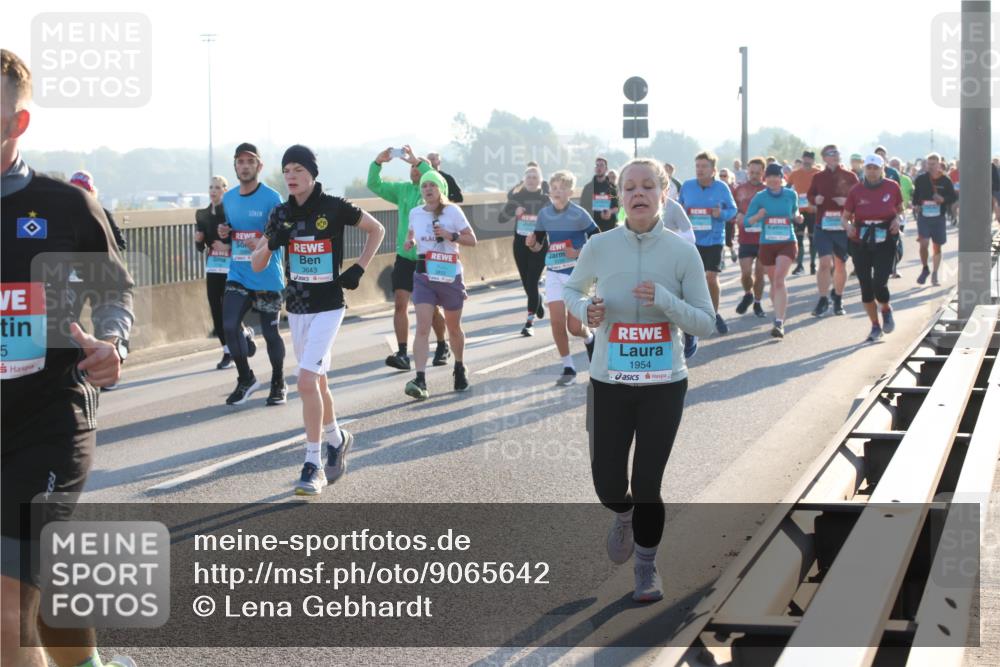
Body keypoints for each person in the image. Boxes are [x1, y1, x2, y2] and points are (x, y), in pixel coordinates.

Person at [1, 48, 136, 667]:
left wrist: (115, 342)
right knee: (45, 589)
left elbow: (113, 292)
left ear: (17, 123)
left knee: (6, 612)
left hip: (49, 420)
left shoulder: (63, 207)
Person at [563, 158, 715, 602]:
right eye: (630, 187)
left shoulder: (682, 252)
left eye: (648, 186)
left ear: (663, 194)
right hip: (609, 381)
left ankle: (646, 569)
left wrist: (665, 300)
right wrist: (584, 311)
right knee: (609, 484)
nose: (638, 194)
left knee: (648, 482)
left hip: (664, 384)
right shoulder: (600, 246)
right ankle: (623, 514)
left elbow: (705, 323)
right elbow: (573, 290)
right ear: (620, 196)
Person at [252, 145, 385, 495]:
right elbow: (256, 264)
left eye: (298, 169)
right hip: (296, 309)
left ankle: (313, 464)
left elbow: (377, 230)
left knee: (306, 381)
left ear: (312, 173)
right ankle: (337, 439)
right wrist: (271, 244)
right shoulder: (280, 213)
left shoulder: (334, 206)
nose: (292, 175)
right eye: (287, 170)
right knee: (319, 382)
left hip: (329, 306)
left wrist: (358, 267)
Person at [368, 146, 450, 370]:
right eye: (412, 167)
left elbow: (440, 182)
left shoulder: (436, 191)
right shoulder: (403, 190)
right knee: (400, 304)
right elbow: (374, 185)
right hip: (405, 256)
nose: (414, 170)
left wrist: (419, 161)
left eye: (418, 167)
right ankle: (403, 353)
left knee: (430, 307)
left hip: (428, 258)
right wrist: (378, 162)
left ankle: (442, 344)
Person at [220, 142, 287, 406]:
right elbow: (233, 228)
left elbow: (283, 235)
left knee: (271, 334)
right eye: (240, 162)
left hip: (267, 275)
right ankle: (245, 378)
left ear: (259, 166)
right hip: (237, 272)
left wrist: (262, 239)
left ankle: (278, 383)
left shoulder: (272, 198)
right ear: (235, 166)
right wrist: (226, 232)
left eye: (250, 162)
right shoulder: (229, 198)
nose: (245, 166)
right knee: (228, 325)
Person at [402, 170, 477, 400]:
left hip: (449, 274)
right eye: (424, 186)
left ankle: (459, 366)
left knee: (453, 328)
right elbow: (412, 233)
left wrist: (449, 235)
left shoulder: (452, 211)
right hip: (424, 274)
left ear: (440, 189)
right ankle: (421, 379)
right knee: (422, 327)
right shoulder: (415, 212)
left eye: (432, 185)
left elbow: (472, 240)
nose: (428, 190)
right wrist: (410, 241)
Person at [526, 170, 598, 386]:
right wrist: (532, 244)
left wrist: (577, 253)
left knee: (574, 327)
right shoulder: (544, 215)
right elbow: (538, 245)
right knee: (556, 322)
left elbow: (597, 241)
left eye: (561, 188)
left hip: (577, 274)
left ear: (570, 191)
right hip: (554, 272)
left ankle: (590, 338)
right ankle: (568, 367)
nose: (556, 191)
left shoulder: (579, 214)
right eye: (554, 188)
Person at [843, 155, 903, 342]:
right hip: (861, 240)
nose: (872, 171)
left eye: (875, 168)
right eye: (869, 167)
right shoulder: (856, 190)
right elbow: (845, 217)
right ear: (864, 169)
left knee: (879, 283)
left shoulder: (892, 186)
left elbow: (900, 210)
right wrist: (848, 226)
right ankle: (875, 325)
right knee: (866, 287)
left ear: (882, 169)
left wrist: (896, 220)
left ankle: (885, 308)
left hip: (885, 238)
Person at [678, 150, 737, 335]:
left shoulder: (721, 188)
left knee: (711, 278)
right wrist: (683, 214)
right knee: (690, 281)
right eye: (697, 166)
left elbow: (733, 210)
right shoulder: (687, 186)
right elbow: (678, 208)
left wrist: (722, 214)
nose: (700, 170)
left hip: (714, 239)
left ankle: (713, 314)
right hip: (691, 240)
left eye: (704, 167)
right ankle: (691, 317)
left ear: (713, 170)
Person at [195, 175, 247, 370]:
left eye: (218, 187)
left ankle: (241, 335)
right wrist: (199, 240)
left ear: (225, 190)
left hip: (232, 267)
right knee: (215, 307)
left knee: (229, 308)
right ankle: (227, 350)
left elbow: (243, 239)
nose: (213, 191)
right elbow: (200, 247)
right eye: (211, 187)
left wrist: (227, 247)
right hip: (213, 267)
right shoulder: (201, 214)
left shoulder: (233, 214)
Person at [745, 164, 801, 338]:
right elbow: (747, 221)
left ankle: (778, 321)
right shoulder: (760, 197)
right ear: (765, 179)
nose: (773, 180)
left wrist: (798, 217)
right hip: (767, 244)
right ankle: (779, 311)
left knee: (778, 280)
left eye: (776, 177)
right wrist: (758, 216)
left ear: (781, 178)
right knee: (773, 282)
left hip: (787, 242)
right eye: (769, 177)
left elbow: (795, 211)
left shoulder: (791, 194)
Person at [498, 164, 549, 336]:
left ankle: (529, 322)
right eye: (529, 177)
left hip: (539, 246)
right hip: (520, 245)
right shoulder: (517, 197)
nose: (532, 180)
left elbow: (554, 220)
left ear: (540, 181)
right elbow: (501, 219)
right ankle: (538, 300)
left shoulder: (545, 199)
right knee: (527, 283)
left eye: (535, 177)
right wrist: (514, 211)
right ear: (524, 180)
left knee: (533, 282)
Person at [808, 144, 858, 317]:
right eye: (831, 153)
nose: (835, 155)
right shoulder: (818, 177)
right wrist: (816, 199)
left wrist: (846, 202)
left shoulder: (850, 176)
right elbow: (810, 195)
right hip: (823, 225)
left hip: (842, 226)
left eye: (837, 152)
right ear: (824, 158)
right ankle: (822, 299)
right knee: (824, 262)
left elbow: (858, 198)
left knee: (840, 263)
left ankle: (838, 298)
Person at [912, 152, 957, 286]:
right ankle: (925, 268)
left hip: (938, 217)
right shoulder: (921, 179)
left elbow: (953, 198)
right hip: (924, 217)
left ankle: (935, 273)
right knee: (924, 244)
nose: (931, 166)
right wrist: (916, 205)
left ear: (939, 165)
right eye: (929, 164)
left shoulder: (946, 180)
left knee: (937, 247)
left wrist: (943, 200)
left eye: (934, 164)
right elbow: (915, 197)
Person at [732, 157, 767, 319]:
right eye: (751, 172)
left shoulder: (768, 191)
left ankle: (758, 303)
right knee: (746, 274)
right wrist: (737, 214)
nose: (754, 175)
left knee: (760, 274)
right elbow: (731, 209)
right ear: (747, 171)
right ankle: (748, 294)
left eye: (757, 173)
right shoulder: (739, 189)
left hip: (764, 240)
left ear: (763, 173)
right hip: (745, 238)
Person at [68, 171, 127, 252]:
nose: (78, 193)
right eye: (74, 189)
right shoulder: (63, 215)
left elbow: (120, 243)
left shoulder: (103, 214)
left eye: (83, 190)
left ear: (91, 192)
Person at [785, 150, 821, 275]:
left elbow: (824, 190)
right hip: (799, 211)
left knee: (813, 239)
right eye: (805, 158)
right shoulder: (795, 174)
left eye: (809, 159)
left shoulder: (818, 173)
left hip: (813, 211)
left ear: (813, 161)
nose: (807, 161)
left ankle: (812, 264)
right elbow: (787, 189)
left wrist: (818, 202)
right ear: (802, 159)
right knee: (798, 239)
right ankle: (800, 265)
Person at [579, 156, 621, 233]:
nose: (599, 167)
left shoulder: (612, 187)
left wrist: (610, 212)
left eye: (601, 165)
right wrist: (597, 213)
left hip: (609, 228)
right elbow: (582, 207)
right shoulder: (588, 188)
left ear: (606, 169)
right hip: (593, 228)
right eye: (597, 165)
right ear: (594, 169)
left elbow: (617, 207)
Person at [889, 157, 913, 279]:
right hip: (888, 215)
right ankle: (889, 268)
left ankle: (894, 267)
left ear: (901, 167)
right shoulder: (886, 179)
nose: (894, 167)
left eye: (897, 165)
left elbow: (912, 192)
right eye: (892, 165)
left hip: (901, 214)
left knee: (897, 242)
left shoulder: (906, 180)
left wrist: (911, 202)